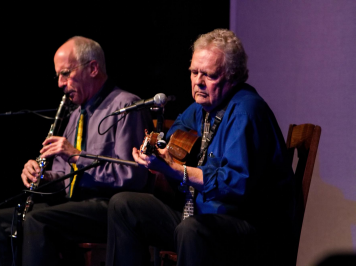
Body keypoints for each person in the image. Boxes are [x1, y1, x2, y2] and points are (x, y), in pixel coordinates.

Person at [106, 29, 298, 266]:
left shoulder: (246, 112)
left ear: (233, 76)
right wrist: (159, 151)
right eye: (194, 72)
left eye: (209, 75)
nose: (198, 81)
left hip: (251, 228)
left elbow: (235, 184)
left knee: (191, 230)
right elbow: (175, 133)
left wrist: (177, 170)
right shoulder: (201, 108)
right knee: (123, 206)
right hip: (201, 216)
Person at [0, 36, 154, 266]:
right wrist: (41, 176)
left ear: (92, 68)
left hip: (108, 208)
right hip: (74, 206)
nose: (60, 83)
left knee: (38, 221)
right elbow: (63, 179)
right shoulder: (74, 115)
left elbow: (132, 175)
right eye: (58, 75)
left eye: (66, 73)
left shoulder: (126, 106)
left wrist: (75, 155)